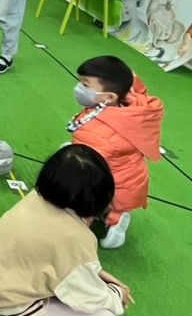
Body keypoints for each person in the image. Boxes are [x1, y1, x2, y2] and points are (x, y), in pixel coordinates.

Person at [0, 144, 132, 316]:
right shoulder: (76, 238)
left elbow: (51, 257)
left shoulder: (37, 197)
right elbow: (90, 298)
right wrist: (116, 294)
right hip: (6, 302)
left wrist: (99, 274)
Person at [69, 56, 164, 249]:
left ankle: (108, 219)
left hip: (112, 184)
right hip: (129, 179)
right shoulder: (132, 106)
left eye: (85, 85)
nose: (78, 88)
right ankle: (116, 213)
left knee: (76, 175)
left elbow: (88, 174)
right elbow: (138, 89)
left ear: (109, 97)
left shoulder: (96, 133)